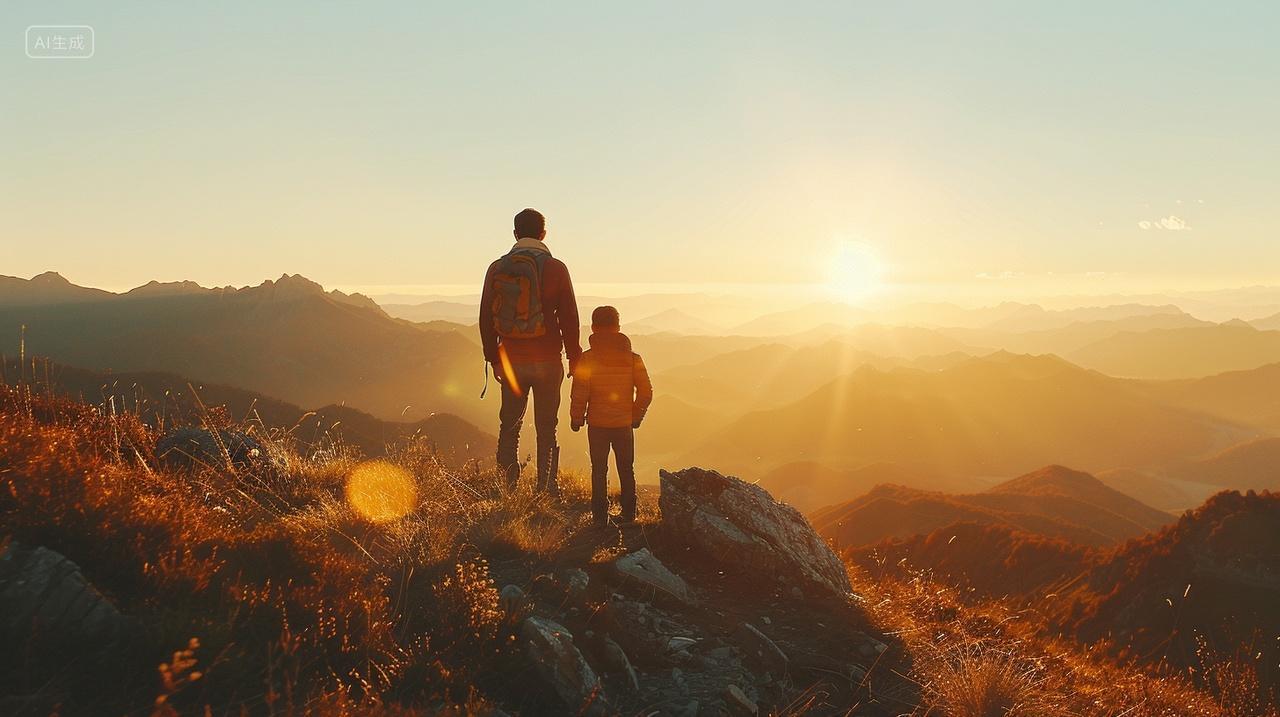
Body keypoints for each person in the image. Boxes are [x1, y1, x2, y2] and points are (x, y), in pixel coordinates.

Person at [480, 208, 582, 493]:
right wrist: (574, 357)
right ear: (543, 234)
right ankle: (547, 489)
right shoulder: (556, 269)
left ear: (515, 234)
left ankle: (507, 489)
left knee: (509, 426)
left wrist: (493, 359)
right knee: (547, 428)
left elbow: (486, 317)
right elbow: (569, 316)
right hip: (548, 360)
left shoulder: (497, 268)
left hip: (511, 362)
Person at [569, 306, 653, 527]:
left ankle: (599, 518)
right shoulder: (633, 359)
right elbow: (646, 392)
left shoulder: (587, 359)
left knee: (598, 470)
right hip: (624, 424)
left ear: (593, 327)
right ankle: (629, 515)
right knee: (626, 469)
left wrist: (577, 418)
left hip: (597, 425)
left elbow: (579, 392)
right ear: (618, 327)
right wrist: (636, 416)